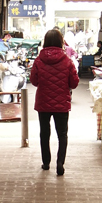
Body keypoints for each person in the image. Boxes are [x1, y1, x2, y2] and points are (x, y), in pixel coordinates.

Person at [30, 28, 79, 176]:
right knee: (62, 134)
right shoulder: (67, 61)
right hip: (61, 103)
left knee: (44, 133)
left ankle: (46, 162)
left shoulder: (39, 60)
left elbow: (34, 81)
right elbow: (74, 83)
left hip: (43, 102)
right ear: (60, 42)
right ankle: (60, 163)